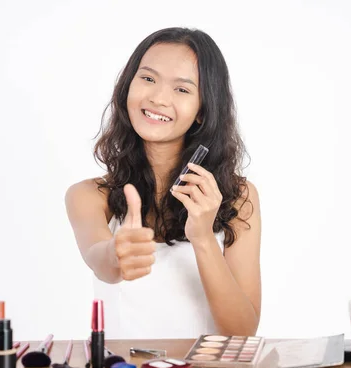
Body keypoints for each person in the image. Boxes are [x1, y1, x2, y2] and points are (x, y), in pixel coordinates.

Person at [65, 27, 261, 339]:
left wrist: (203, 238)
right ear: (128, 86)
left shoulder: (238, 197)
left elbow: (241, 332)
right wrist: (117, 255)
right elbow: (101, 262)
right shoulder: (89, 196)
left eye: (182, 90)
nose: (158, 98)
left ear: (202, 110)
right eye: (148, 78)